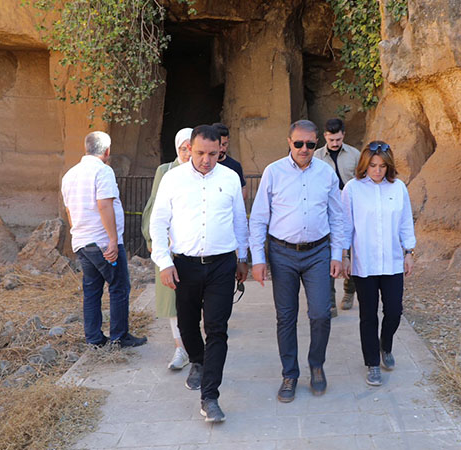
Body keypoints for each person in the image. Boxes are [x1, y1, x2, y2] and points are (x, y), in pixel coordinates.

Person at [149, 125, 249, 423]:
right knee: (187, 325)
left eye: (213, 154)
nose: (206, 160)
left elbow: (239, 220)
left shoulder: (230, 178)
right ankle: (198, 359)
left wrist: (243, 258)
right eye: (201, 153)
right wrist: (164, 262)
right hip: (186, 266)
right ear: (189, 150)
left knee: (217, 329)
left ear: (221, 150)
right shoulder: (173, 179)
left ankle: (210, 396)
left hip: (222, 265)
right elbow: (158, 222)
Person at [249, 119, 344, 403]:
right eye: (299, 143)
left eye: (310, 144)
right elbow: (259, 217)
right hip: (282, 254)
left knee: (321, 313)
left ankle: (316, 366)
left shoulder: (326, 173)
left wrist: (337, 254)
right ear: (289, 142)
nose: (304, 149)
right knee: (286, 316)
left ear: (317, 143)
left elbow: (337, 216)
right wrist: (258, 259)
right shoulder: (273, 172)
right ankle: (289, 374)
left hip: (318, 252)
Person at [61, 131, 147, 348]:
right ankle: (119, 337)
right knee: (119, 287)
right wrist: (113, 240)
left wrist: (78, 233)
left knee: (92, 290)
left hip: (82, 242)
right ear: (107, 151)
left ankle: (94, 339)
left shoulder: (70, 174)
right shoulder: (103, 171)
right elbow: (104, 205)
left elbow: (69, 210)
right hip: (102, 242)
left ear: (86, 148)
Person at [341, 141, 416, 386]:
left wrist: (409, 252)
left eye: (382, 166)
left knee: (394, 311)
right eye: (373, 165)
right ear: (365, 164)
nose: (377, 170)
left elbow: (405, 222)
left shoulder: (398, 187)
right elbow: (346, 226)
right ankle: (372, 363)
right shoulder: (352, 189)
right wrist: (345, 256)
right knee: (368, 315)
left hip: (392, 262)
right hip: (365, 263)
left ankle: (386, 345)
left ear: (389, 166)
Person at [141, 127, 192, 370]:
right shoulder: (165, 171)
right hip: (169, 245)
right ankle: (180, 348)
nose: (187, 153)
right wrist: (152, 241)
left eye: (191, 148)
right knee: (172, 299)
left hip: (194, 246)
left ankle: (195, 345)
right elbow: (154, 206)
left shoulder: (203, 171)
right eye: (183, 148)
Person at [314, 118, 361, 314]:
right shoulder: (316, 156)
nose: (335, 143)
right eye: (331, 140)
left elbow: (362, 181)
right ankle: (330, 301)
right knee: (328, 254)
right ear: (325, 136)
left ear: (344, 136)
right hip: (326, 211)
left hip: (350, 209)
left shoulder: (354, 155)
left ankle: (349, 291)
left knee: (352, 251)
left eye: (338, 139)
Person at [212, 123, 247, 201]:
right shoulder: (205, 165)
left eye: (224, 144)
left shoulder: (235, 166)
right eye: (219, 145)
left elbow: (243, 188)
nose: (222, 149)